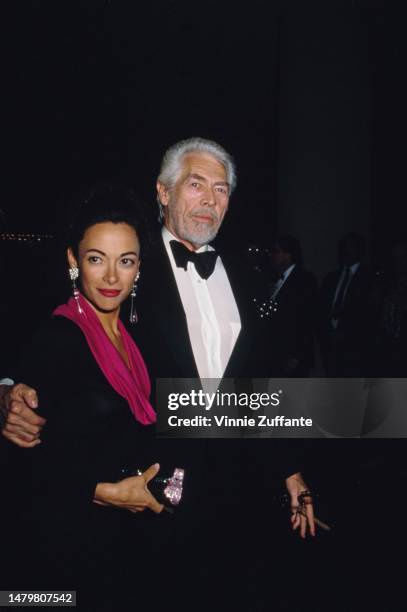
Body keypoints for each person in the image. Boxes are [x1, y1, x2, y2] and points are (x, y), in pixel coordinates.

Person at [1, 139, 315, 606]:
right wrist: (8, 391)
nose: (210, 199)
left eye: (221, 188)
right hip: (150, 499)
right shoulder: (126, 260)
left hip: (239, 493)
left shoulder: (248, 275)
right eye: (196, 184)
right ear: (163, 193)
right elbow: (51, 334)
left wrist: (290, 472)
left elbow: (259, 384)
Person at [3, 188, 166, 608]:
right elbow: (26, 461)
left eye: (125, 261)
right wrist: (104, 492)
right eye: (97, 259)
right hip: (65, 550)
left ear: (139, 268)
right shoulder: (57, 338)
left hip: (121, 547)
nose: (112, 277)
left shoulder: (135, 338)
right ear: (74, 261)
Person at [267, 234, 318, 376]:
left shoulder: (304, 279)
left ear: (288, 255)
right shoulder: (275, 279)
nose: (272, 255)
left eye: (276, 251)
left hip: (292, 357)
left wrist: (297, 356)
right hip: (276, 354)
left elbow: (307, 319)